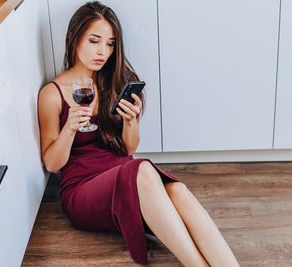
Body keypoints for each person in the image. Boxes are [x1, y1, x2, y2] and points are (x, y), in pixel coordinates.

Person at [38, 1, 239, 266]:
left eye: (110, 44)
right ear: (73, 39)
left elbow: (128, 150)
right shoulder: (52, 94)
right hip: (83, 189)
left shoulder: (112, 82)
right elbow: (52, 164)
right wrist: (70, 128)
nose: (103, 52)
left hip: (125, 174)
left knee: (177, 190)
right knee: (143, 169)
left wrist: (131, 121)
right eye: (94, 41)